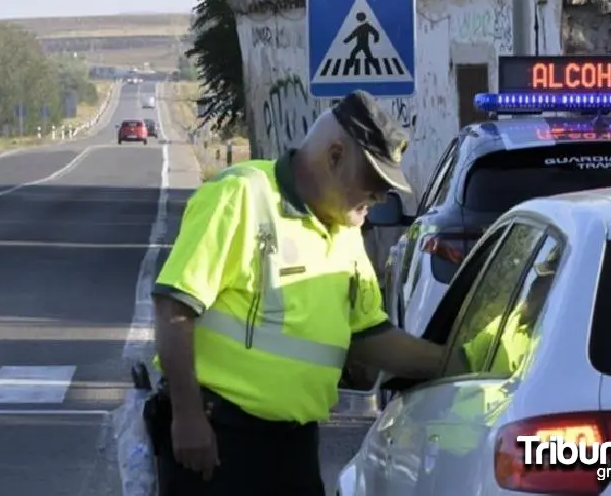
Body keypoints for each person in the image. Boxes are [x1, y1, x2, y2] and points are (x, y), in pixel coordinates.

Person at [148, 90, 447, 496]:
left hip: (293, 444)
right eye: (374, 181)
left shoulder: (344, 231)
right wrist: (186, 416)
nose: (379, 197)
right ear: (335, 156)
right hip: (219, 441)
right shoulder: (241, 196)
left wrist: (454, 362)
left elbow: (370, 337)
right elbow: (174, 308)